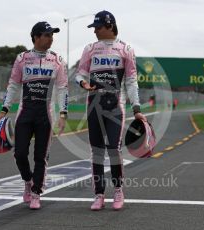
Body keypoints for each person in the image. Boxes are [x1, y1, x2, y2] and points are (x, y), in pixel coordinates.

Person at [75, 10, 146, 211]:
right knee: (96, 151)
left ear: (109, 26)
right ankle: (99, 194)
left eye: (98, 27)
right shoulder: (90, 49)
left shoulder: (126, 49)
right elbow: (79, 74)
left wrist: (137, 108)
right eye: (94, 28)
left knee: (113, 150)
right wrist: (84, 84)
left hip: (116, 106)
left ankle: (118, 191)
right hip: (93, 105)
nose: (95, 31)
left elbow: (132, 81)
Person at [0, 21, 68, 210]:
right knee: (19, 153)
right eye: (47, 35)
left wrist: (63, 113)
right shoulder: (22, 58)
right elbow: (13, 84)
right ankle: (28, 180)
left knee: (41, 157)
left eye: (52, 35)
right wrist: (4, 109)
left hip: (45, 114)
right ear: (36, 37)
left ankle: (36, 192)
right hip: (25, 112)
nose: (51, 38)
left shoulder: (57, 60)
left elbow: (62, 88)